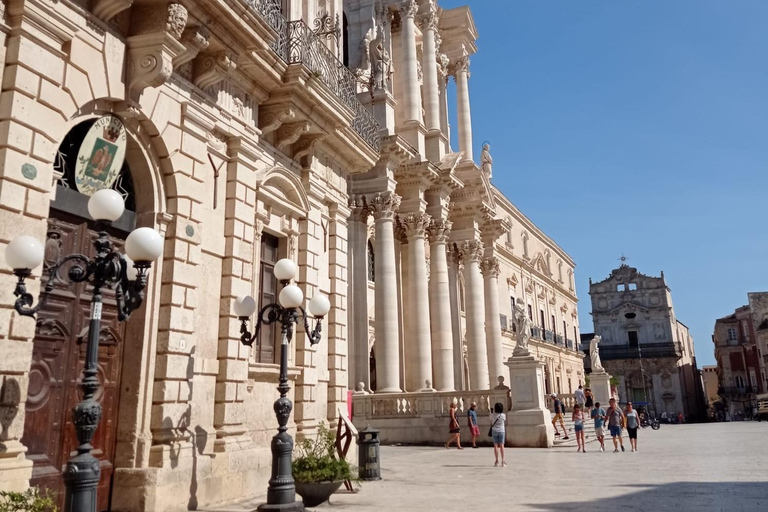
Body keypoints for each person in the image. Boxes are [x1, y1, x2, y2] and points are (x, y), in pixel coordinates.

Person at [490, 402, 506, 467]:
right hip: (502, 430)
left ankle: (496, 461)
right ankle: (503, 461)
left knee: (495, 445)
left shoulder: (492, 415)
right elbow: (504, 420)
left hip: (494, 430)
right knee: (502, 445)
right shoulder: (503, 415)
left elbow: (490, 421)